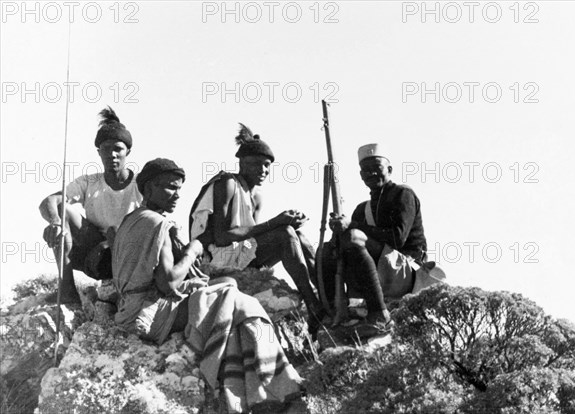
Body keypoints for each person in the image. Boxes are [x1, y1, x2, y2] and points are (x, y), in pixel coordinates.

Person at [112, 158, 302, 413]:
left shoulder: (132, 220)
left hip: (130, 308)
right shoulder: (157, 224)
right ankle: (272, 381)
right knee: (242, 303)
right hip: (149, 313)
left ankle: (255, 386)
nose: (177, 195)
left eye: (179, 188)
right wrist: (191, 251)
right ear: (147, 190)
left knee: (228, 284)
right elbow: (167, 283)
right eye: (169, 187)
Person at [189, 123, 328, 328]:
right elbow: (222, 236)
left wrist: (286, 221)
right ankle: (313, 304)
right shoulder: (227, 183)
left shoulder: (256, 196)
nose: (263, 170)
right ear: (242, 164)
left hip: (243, 253)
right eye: (256, 164)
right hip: (219, 256)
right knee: (285, 233)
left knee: (297, 234)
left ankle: (325, 294)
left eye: (266, 165)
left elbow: (252, 236)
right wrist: (276, 223)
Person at [39, 107, 142, 303]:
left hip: (129, 252)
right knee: (62, 211)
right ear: (99, 152)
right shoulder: (89, 182)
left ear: (128, 151)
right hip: (95, 253)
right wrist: (55, 223)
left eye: (118, 149)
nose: (112, 154)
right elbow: (50, 201)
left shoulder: (140, 184)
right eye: (106, 149)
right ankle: (67, 289)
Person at [325, 143, 427, 335]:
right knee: (328, 250)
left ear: (389, 169)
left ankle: (379, 314)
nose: (371, 174)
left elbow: (397, 239)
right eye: (366, 170)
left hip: (406, 273)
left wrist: (353, 226)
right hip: (381, 272)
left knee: (354, 237)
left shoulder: (403, 194)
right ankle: (332, 310)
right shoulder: (361, 209)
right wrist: (336, 233)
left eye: (377, 168)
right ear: (361, 175)